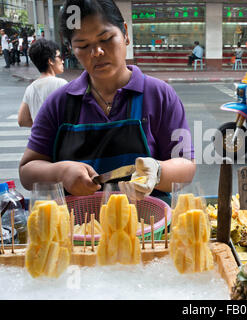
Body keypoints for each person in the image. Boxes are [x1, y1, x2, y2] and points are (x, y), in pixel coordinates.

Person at [19, 0, 196, 199]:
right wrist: (60, 172)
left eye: (106, 39)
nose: (97, 53)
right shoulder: (59, 103)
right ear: (71, 49)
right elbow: (27, 172)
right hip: (78, 227)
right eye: (83, 45)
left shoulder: (161, 96)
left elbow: (186, 165)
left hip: (149, 225)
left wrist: (158, 171)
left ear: (125, 34)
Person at [18, 39, 67, 127]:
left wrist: (41, 127)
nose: (62, 61)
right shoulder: (61, 84)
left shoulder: (31, 88)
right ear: (50, 61)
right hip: (58, 139)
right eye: (59, 57)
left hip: (39, 139)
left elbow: (22, 120)